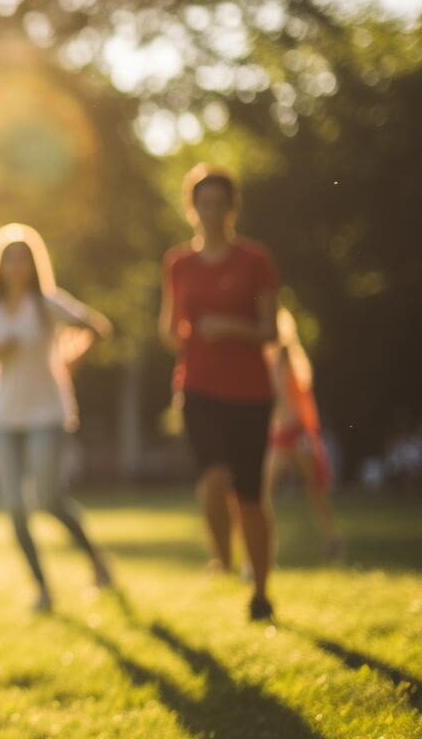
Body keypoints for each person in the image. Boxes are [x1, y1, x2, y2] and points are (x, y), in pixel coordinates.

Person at [0, 223, 114, 613]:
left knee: (47, 499)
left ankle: (96, 560)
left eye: (22, 259)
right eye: (9, 260)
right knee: (14, 506)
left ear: (33, 264)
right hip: (2, 419)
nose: (16, 267)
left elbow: (98, 328)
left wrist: (72, 359)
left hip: (47, 414)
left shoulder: (46, 305)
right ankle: (43, 589)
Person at [159, 163, 280, 621]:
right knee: (212, 482)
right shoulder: (177, 263)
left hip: (250, 391)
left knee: (248, 495)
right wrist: (184, 334)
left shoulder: (256, 259)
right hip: (198, 386)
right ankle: (223, 557)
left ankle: (261, 592)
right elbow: (170, 329)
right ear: (192, 208)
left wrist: (229, 326)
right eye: (203, 203)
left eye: (219, 204)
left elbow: (270, 330)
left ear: (232, 208)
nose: (211, 212)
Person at [265, 308, 343, 561]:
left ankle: (332, 538)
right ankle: (264, 543)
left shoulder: (286, 360)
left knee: (313, 489)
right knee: (264, 492)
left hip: (294, 433)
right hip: (280, 435)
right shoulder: (272, 359)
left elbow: (281, 396)